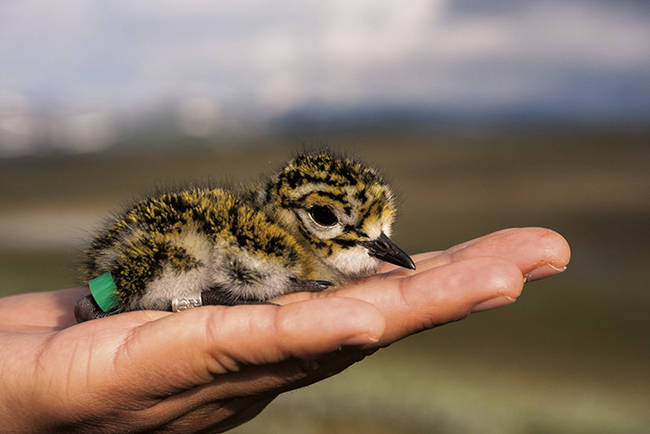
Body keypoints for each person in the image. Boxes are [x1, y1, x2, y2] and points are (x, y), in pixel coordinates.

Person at [0, 227, 569, 432]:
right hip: (132, 277)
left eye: (377, 233)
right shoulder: (266, 250)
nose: (374, 248)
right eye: (337, 225)